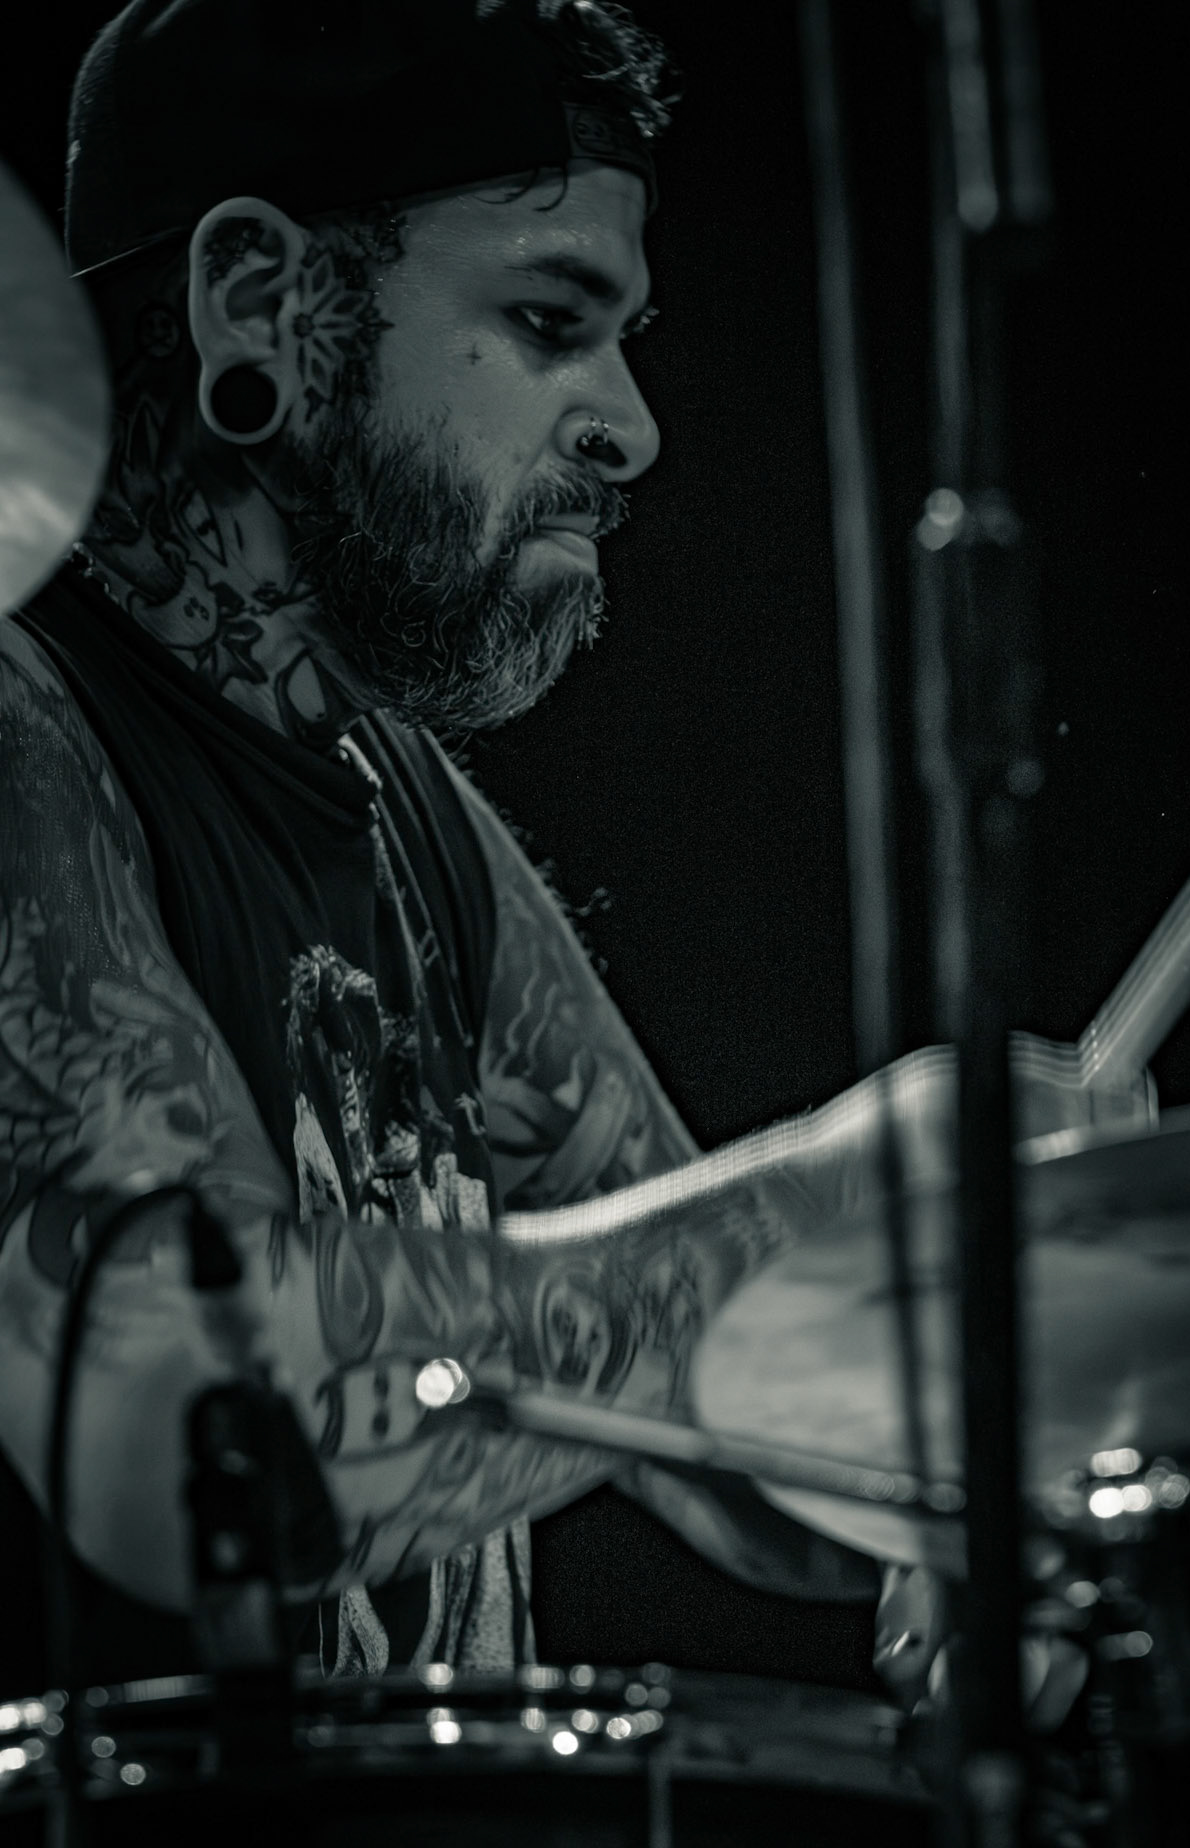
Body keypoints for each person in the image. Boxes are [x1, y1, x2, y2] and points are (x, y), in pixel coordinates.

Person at [0, 0, 900, 1696]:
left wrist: (1023, 1380)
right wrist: (826, 1192)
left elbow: (737, 1419)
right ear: (257, 299)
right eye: (549, 320)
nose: (628, 426)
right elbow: (200, 1442)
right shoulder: (25, 740)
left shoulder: (405, 807)